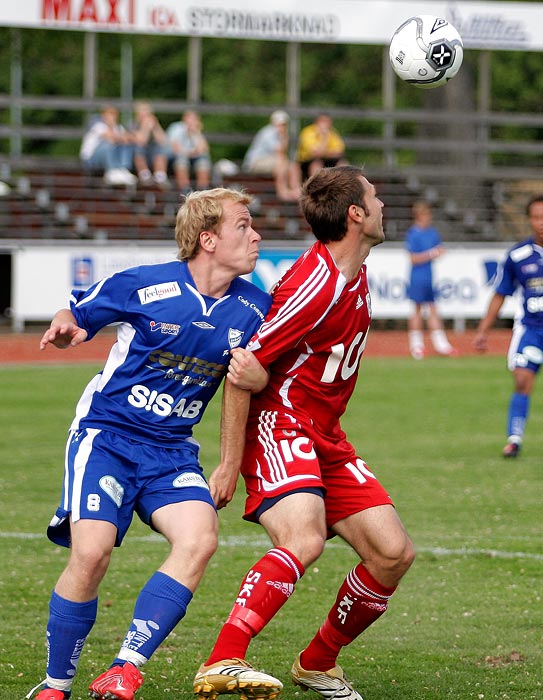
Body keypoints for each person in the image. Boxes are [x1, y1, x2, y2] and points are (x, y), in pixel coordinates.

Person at [27, 187, 272, 700]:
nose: (256, 235)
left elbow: (256, 380)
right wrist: (66, 324)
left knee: (200, 539)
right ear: (208, 239)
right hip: (108, 435)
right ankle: (54, 685)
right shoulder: (147, 284)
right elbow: (78, 311)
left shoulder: (256, 308)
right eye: (244, 226)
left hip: (173, 449)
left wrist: (231, 461)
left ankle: (125, 668)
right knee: (91, 553)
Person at [194, 165, 415, 700]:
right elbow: (246, 369)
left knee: (392, 553)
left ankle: (317, 664)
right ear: (356, 215)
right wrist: (227, 463)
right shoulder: (315, 285)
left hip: (325, 434)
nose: (384, 204)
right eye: (375, 197)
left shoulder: (354, 271)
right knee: (304, 539)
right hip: (281, 423)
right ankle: (222, 659)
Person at [473, 194, 543, 458]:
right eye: (536, 217)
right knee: (523, 379)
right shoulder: (518, 255)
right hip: (531, 330)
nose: (541, 222)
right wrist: (483, 330)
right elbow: (500, 293)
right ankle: (514, 439)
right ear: (529, 220)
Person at [404, 201, 457, 359]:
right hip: (417, 277)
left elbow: (439, 249)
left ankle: (441, 344)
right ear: (419, 216)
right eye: (426, 215)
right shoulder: (413, 233)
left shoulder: (432, 232)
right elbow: (413, 258)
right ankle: (416, 345)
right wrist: (432, 253)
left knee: (433, 308)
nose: (429, 218)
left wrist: (436, 253)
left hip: (429, 276)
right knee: (418, 309)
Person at [243, 110, 301, 202]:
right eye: (281, 124)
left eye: (284, 124)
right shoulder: (268, 133)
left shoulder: (280, 134)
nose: (283, 126)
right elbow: (279, 152)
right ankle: (282, 192)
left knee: (293, 165)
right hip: (256, 162)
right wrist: (284, 139)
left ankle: (296, 190)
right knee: (281, 162)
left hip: (271, 161)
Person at [80, 105, 137, 186]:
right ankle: (112, 171)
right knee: (109, 143)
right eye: (110, 114)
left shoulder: (118, 127)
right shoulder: (98, 125)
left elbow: (129, 138)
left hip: (112, 156)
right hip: (91, 159)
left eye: (114, 114)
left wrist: (124, 138)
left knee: (126, 144)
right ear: (103, 115)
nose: (112, 117)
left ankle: (123, 169)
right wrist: (121, 136)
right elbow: (110, 136)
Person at [166, 110, 211, 192]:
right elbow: (175, 148)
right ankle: (185, 191)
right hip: (178, 157)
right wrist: (190, 153)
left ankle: (203, 191)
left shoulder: (198, 131)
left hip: (194, 158)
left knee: (203, 163)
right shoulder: (176, 128)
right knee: (181, 162)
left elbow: (204, 149)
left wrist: (197, 133)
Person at [130, 101, 171, 186]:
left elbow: (163, 140)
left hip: (153, 156)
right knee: (139, 148)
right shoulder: (132, 125)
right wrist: (145, 127)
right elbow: (141, 141)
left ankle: (160, 176)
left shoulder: (154, 125)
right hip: (137, 157)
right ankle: (144, 175)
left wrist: (156, 127)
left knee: (159, 147)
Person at [297, 113, 346, 181]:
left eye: (327, 121)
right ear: (317, 122)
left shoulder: (333, 133)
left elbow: (339, 152)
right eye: (323, 121)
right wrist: (324, 138)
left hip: (327, 160)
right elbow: (314, 153)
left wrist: (323, 152)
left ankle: (341, 187)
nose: (325, 124)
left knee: (343, 164)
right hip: (307, 162)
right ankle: (318, 188)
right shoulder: (308, 132)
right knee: (316, 164)